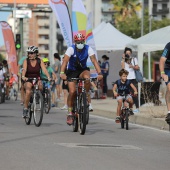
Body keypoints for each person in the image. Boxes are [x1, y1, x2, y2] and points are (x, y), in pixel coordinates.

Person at [60, 33, 103, 125]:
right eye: (78, 42)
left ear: (84, 41)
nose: (80, 43)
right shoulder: (71, 49)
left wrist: (99, 73)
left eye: (82, 41)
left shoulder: (88, 48)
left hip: (83, 70)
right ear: (75, 42)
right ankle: (70, 112)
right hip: (71, 71)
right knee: (72, 92)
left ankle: (85, 95)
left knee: (87, 78)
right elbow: (65, 61)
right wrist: (62, 73)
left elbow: (94, 61)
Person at [21, 46, 51, 118]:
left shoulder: (39, 61)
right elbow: (24, 69)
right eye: (29, 53)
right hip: (28, 78)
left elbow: (44, 69)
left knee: (41, 86)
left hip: (37, 78)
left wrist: (48, 77)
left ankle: (37, 97)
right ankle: (25, 109)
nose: (30, 55)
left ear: (36, 54)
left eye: (31, 53)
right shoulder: (26, 61)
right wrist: (23, 76)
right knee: (28, 91)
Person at [121, 47, 139, 113]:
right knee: (126, 93)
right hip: (126, 79)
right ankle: (126, 107)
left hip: (133, 78)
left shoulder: (134, 59)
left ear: (131, 53)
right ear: (124, 53)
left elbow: (137, 67)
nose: (128, 54)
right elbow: (122, 68)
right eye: (127, 53)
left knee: (135, 93)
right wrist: (123, 59)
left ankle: (137, 107)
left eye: (129, 53)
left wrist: (132, 66)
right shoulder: (123, 60)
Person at [159, 42, 170, 123]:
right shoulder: (168, 45)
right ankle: (169, 112)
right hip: (168, 69)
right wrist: (162, 73)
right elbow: (162, 60)